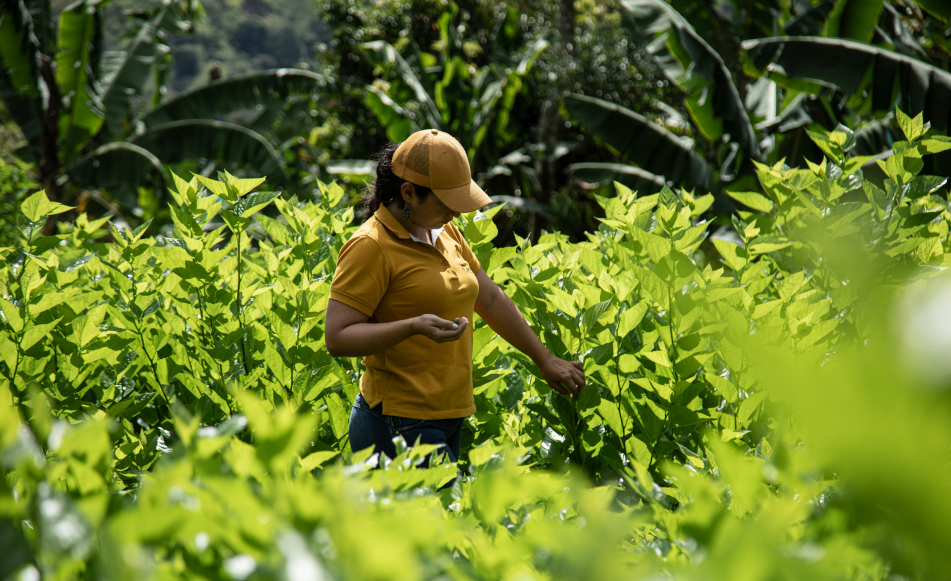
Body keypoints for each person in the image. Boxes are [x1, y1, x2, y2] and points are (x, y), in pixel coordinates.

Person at [325, 129, 585, 467]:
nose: (457, 213)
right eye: (447, 203)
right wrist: (412, 326)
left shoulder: (444, 230)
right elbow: (338, 337)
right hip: (396, 421)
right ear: (408, 193)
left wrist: (545, 359)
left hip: (448, 416)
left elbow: (490, 300)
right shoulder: (370, 245)